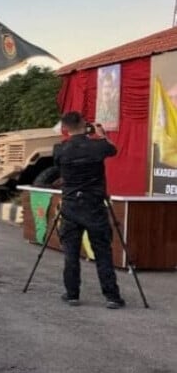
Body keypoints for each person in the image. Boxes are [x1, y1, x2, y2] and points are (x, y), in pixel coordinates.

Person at [55, 112, 125, 308]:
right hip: (94, 206)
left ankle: (72, 294)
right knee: (103, 252)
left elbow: (59, 166)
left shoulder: (60, 149)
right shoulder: (98, 146)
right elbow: (113, 150)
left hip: (70, 206)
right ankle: (112, 296)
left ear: (65, 128)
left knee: (71, 253)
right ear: (84, 123)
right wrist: (102, 135)